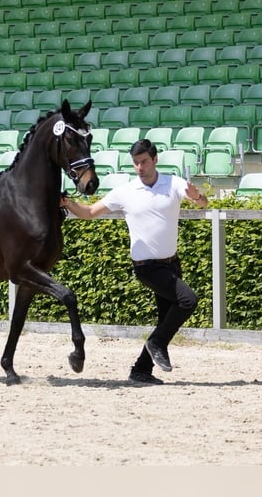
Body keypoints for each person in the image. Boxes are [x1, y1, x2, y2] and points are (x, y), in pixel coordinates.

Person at [61, 138, 208, 385]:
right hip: (146, 267)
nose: (140, 167)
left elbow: (202, 202)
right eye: (136, 163)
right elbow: (88, 213)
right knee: (188, 301)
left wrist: (198, 196)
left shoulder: (172, 183)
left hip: (172, 263)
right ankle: (155, 344)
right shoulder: (125, 192)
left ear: (155, 160)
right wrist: (68, 202)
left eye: (144, 162)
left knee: (165, 321)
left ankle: (140, 370)